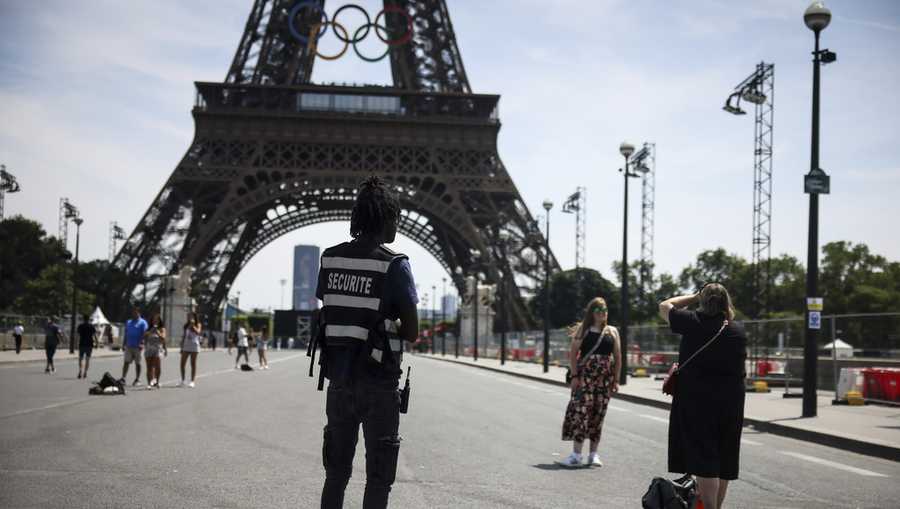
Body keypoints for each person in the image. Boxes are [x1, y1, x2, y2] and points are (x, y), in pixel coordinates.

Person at [316, 175, 419, 509]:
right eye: (395, 219)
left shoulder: (330, 260)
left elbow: (333, 312)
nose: (398, 225)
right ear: (385, 218)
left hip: (339, 381)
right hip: (379, 384)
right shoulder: (394, 265)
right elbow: (412, 331)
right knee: (378, 479)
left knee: (335, 475)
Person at [659, 283, 747, 509]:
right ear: (726, 303)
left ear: (703, 301)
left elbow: (665, 305)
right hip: (731, 405)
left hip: (697, 403)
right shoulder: (737, 331)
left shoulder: (691, 323)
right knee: (725, 459)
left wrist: (693, 296)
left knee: (705, 458)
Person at [558, 297, 621, 468]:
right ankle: (576, 455)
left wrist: (616, 379)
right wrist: (575, 376)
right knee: (581, 414)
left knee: (598, 415)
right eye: (599, 311)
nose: (603, 314)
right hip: (585, 379)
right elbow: (573, 355)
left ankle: (593, 454)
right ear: (592, 313)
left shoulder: (612, 332)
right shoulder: (583, 330)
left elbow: (618, 357)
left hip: (604, 380)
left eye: (605, 311)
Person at [122, 307, 148, 386]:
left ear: (139, 313)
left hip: (138, 346)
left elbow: (145, 334)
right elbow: (126, 333)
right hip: (129, 345)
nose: (134, 314)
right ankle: (123, 378)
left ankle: (137, 379)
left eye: (135, 312)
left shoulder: (143, 322)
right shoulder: (128, 322)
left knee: (138, 363)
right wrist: (123, 344)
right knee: (126, 362)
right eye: (133, 312)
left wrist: (142, 343)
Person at [143, 314, 167, 389]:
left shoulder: (162, 329)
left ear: (159, 321)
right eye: (154, 319)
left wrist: (158, 332)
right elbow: (144, 337)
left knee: (157, 366)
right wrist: (149, 332)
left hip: (158, 349)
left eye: (157, 320)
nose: (155, 321)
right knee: (149, 367)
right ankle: (149, 383)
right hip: (149, 349)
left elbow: (163, 338)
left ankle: (157, 381)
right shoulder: (148, 328)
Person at [179, 312, 202, 388]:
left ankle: (192, 381)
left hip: (194, 346)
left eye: (191, 316)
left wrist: (193, 326)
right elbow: (184, 336)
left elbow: (198, 332)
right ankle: (183, 380)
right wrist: (181, 346)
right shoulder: (186, 326)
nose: (189, 318)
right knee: (182, 364)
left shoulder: (198, 324)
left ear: (194, 317)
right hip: (186, 346)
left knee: (193, 364)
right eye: (188, 316)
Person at [76, 315, 98, 379]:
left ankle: (80, 370)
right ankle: (85, 372)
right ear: (89, 319)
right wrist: (96, 343)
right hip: (89, 345)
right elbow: (95, 335)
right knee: (87, 359)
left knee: (80, 358)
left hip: (82, 344)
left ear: (83, 319)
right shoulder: (91, 326)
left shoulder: (80, 326)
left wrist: (76, 344)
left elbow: (77, 336)